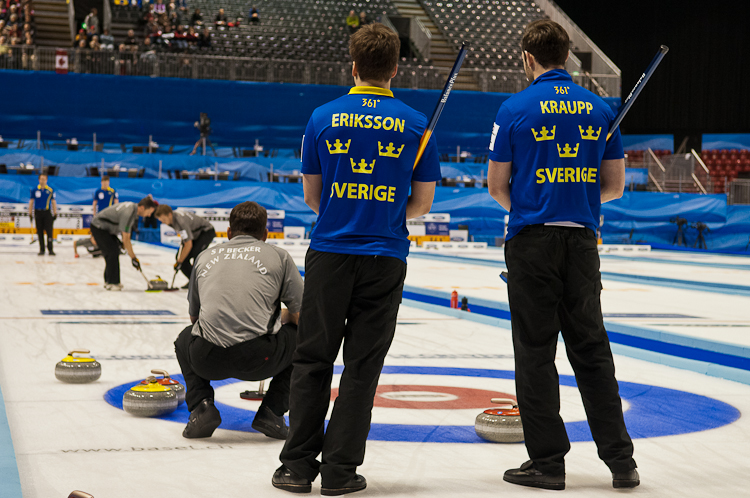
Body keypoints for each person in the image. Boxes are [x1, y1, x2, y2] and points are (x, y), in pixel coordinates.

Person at [273, 23, 440, 496]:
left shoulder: (322, 117)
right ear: (394, 68)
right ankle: (341, 472)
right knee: (362, 367)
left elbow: (313, 197)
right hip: (385, 256)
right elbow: (422, 204)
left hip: (330, 252)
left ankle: (297, 468)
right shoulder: (415, 124)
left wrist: (347, 211)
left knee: (312, 360)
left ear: (353, 66)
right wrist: (384, 214)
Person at [486, 19, 638, 490]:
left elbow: (497, 187)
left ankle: (548, 463)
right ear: (568, 56)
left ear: (527, 58)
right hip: (580, 242)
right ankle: (621, 463)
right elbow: (613, 188)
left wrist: (536, 207)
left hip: (532, 240)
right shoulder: (599, 109)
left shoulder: (514, 108)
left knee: (535, 353)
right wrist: (576, 201)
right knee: (592, 351)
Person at [174, 201, 304, 440]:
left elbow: (195, 318)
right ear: (265, 234)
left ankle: (202, 406)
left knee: (184, 338)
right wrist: (281, 316)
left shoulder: (204, 257)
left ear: (228, 233)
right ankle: (272, 412)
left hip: (207, 359)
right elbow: (301, 316)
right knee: (304, 338)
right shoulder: (280, 256)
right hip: (260, 359)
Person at [90, 197, 157, 291]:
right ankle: (112, 283)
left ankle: (109, 281)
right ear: (142, 207)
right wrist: (133, 258)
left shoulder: (132, 209)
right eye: (149, 212)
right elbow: (126, 239)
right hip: (99, 227)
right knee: (112, 252)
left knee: (113, 251)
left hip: (105, 228)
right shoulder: (129, 212)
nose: (149, 215)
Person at [154, 204, 216, 287]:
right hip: (195, 234)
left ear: (169, 214)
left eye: (164, 219)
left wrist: (179, 261)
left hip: (206, 232)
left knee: (196, 254)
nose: (163, 222)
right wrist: (179, 260)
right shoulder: (171, 221)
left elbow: (188, 244)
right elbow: (185, 239)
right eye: (161, 221)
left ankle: (203, 282)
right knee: (180, 258)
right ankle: (193, 281)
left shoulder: (180, 221)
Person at [29, 172, 57, 256]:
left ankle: (50, 249)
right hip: (38, 212)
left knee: (49, 232)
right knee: (40, 231)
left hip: (47, 212)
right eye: (41, 179)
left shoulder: (50, 190)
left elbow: (53, 202)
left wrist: (55, 212)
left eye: (44, 179)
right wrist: (30, 212)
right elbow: (31, 201)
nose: (42, 181)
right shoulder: (34, 190)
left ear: (46, 180)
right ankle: (42, 249)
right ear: (39, 180)